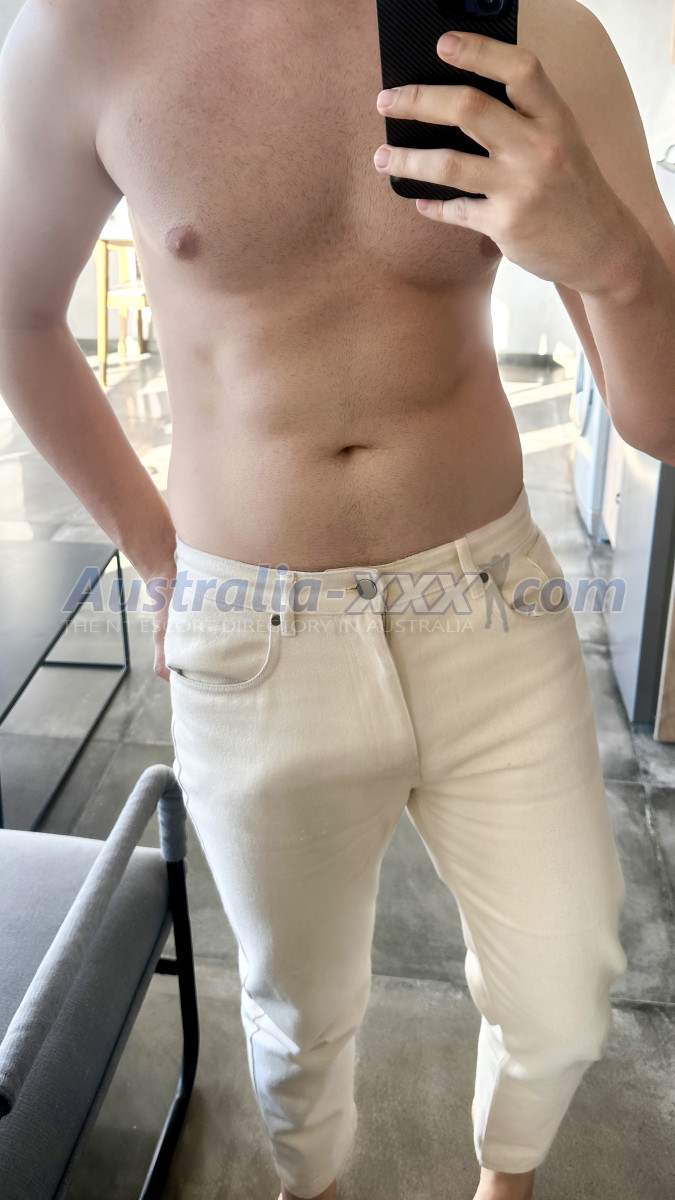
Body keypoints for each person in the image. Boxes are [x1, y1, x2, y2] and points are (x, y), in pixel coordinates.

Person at [1, 0, 674, 1196]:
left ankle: (506, 1180)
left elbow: (659, 418)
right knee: (299, 1013)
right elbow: (15, 312)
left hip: (491, 607)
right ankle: (310, 1187)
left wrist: (613, 258)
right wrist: (155, 552)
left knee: (567, 995)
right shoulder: (89, 29)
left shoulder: (537, 31)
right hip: (250, 630)